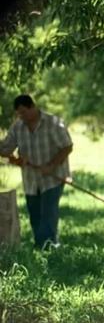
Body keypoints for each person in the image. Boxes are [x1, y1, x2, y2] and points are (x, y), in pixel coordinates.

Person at [0, 94, 73, 250]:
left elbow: (67, 147)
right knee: (35, 215)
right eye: (19, 114)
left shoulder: (53, 123)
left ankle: (47, 246)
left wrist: (51, 166)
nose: (21, 116)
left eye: (24, 112)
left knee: (48, 213)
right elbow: (6, 148)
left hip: (53, 178)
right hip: (31, 180)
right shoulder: (18, 127)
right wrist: (16, 160)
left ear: (33, 107)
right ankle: (42, 246)